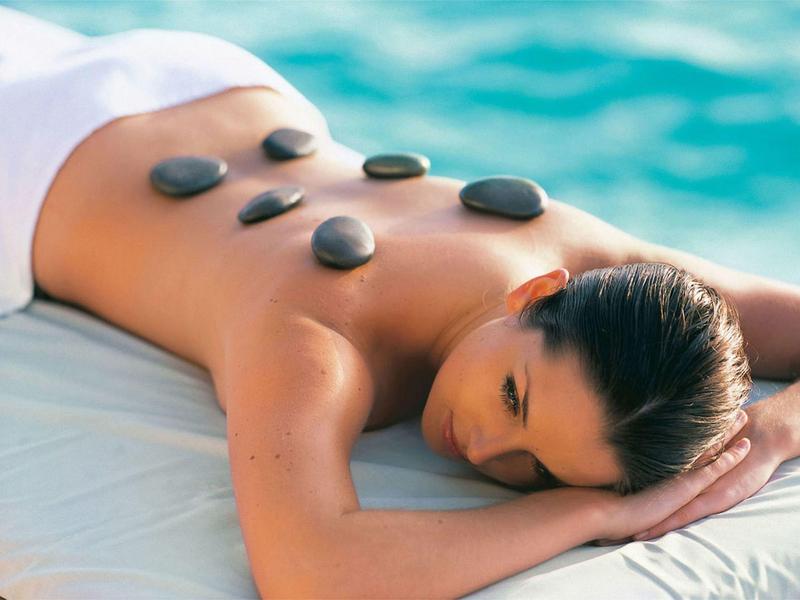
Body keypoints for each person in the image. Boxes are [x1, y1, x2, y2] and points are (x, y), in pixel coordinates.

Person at [3, 8, 799, 598]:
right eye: (514, 396)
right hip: (23, 158)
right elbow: (311, 573)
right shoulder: (320, 335)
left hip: (204, 78)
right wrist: (585, 514)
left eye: (542, 471)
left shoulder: (586, 260)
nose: (484, 449)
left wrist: (772, 429)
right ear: (535, 294)